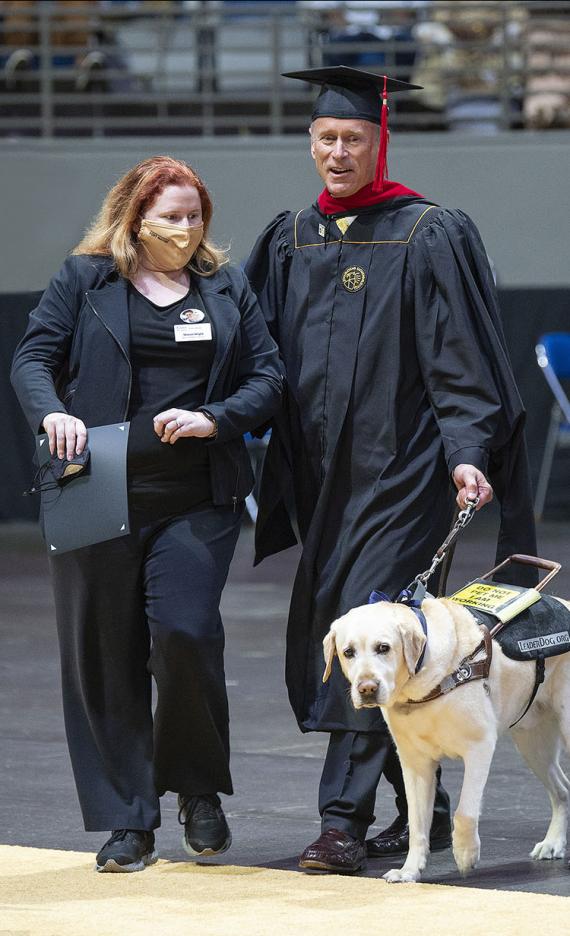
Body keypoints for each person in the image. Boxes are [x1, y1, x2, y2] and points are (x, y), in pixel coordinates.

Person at [245, 66, 537, 874]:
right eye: (326, 139)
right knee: (381, 632)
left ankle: (340, 821)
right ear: (310, 143)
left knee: (367, 629)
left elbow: (459, 364)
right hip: (322, 480)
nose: (338, 153)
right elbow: (259, 359)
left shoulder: (425, 232)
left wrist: (468, 455)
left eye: (353, 140)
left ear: (380, 143)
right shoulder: (291, 237)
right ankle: (429, 808)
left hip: (403, 473)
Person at [11, 155, 282, 873]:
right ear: (135, 218)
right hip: (95, 490)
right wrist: (52, 415)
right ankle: (128, 817)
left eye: (196, 217)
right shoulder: (85, 279)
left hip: (194, 494)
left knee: (186, 635)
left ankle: (196, 790)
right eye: (172, 217)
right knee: (105, 655)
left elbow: (268, 378)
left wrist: (216, 419)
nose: (187, 230)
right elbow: (33, 359)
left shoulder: (225, 287)